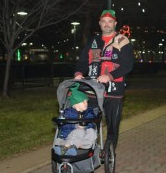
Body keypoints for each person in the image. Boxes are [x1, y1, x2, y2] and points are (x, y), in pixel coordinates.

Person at [74, 9, 134, 149]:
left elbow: (128, 65)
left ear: (115, 23)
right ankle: (89, 148)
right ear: (100, 23)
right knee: (90, 120)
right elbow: (83, 60)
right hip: (93, 89)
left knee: (113, 124)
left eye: (110, 21)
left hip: (114, 90)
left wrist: (109, 76)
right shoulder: (93, 41)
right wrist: (78, 73)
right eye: (104, 21)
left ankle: (110, 152)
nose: (107, 24)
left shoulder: (123, 41)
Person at [54, 83, 97, 155]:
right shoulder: (68, 113)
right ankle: (67, 147)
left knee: (92, 132)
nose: (86, 103)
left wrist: (86, 125)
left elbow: (93, 122)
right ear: (75, 104)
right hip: (69, 136)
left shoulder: (89, 112)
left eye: (86, 101)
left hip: (83, 139)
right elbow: (64, 126)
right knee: (79, 131)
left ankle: (82, 146)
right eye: (83, 102)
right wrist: (75, 126)